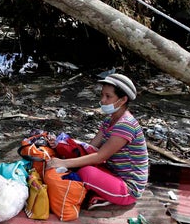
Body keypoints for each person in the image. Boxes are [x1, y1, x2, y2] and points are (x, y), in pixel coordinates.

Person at [47, 73, 148, 208]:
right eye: (102, 95)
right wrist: (62, 145)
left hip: (128, 189)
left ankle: (103, 196)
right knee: (79, 162)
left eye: (108, 96)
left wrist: (63, 162)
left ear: (123, 100)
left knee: (86, 172)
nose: (103, 101)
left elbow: (100, 157)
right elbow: (90, 148)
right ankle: (100, 192)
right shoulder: (109, 120)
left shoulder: (126, 125)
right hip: (111, 173)